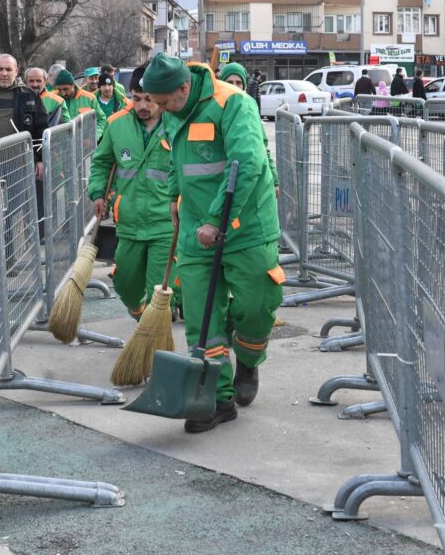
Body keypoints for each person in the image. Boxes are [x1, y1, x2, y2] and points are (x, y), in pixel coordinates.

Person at [141, 53, 283, 433]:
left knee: (256, 308)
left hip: (245, 226)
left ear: (184, 88)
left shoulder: (234, 104)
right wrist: (174, 197)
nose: (158, 109)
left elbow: (249, 164)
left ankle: (249, 361)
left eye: (164, 101)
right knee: (204, 319)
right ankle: (218, 399)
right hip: (195, 232)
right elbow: (176, 162)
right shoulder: (172, 111)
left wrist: (215, 218)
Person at [89, 65, 180, 321]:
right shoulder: (116, 124)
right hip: (128, 223)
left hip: (165, 225)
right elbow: (102, 162)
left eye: (149, 99)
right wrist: (98, 194)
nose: (142, 105)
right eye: (136, 98)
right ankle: (142, 315)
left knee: (158, 293)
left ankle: (155, 339)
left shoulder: (176, 125)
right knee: (126, 286)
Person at [52, 68, 107, 139]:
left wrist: (94, 137)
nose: (63, 93)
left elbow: (101, 119)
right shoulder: (52, 98)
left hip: (84, 144)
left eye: (66, 89)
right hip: (60, 145)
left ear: (73, 85)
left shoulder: (90, 98)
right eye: (59, 89)